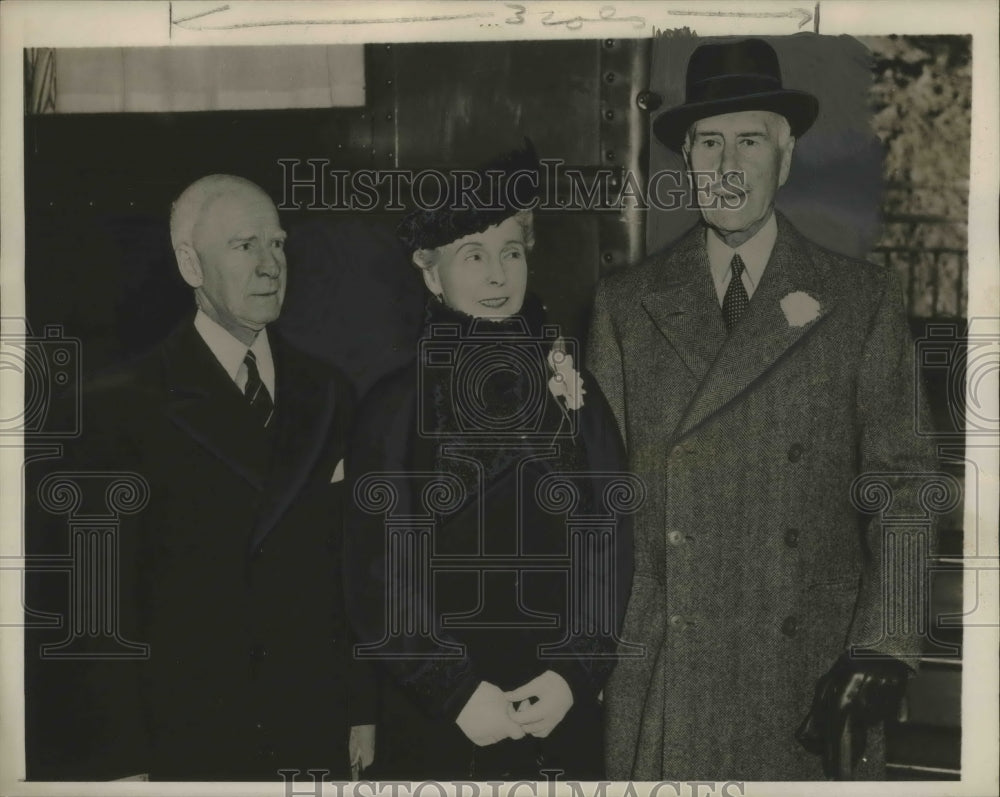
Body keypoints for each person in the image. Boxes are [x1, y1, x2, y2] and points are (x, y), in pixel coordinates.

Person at [588, 39, 938, 780]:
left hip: (808, 674)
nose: (727, 165)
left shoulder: (859, 300)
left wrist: (885, 640)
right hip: (666, 673)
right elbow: (598, 503)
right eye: (708, 143)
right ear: (685, 161)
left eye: (750, 141)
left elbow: (903, 484)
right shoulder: (624, 306)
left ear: (785, 157)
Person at [28, 174, 375, 781]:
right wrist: (121, 762)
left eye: (279, 244)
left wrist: (360, 708)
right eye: (245, 247)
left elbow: (352, 569)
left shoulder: (328, 393)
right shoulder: (117, 405)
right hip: (184, 739)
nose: (271, 266)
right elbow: (94, 607)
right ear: (191, 264)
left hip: (309, 727)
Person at [343, 143, 634, 780]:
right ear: (431, 274)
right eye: (473, 257)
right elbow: (378, 566)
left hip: (556, 707)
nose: (498, 276)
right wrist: (451, 690)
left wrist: (574, 674)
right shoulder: (396, 407)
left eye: (511, 252)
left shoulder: (574, 393)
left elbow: (607, 536)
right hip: (438, 713)